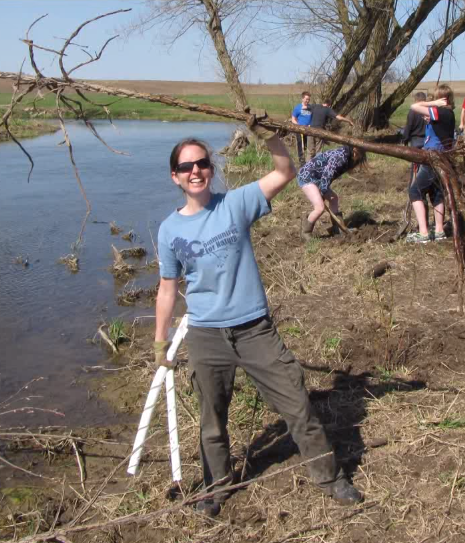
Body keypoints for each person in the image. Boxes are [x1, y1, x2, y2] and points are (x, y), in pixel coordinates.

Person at [154, 121, 363, 518]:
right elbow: (167, 288)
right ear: (175, 177)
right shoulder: (169, 230)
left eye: (201, 163)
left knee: (297, 402)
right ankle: (217, 487)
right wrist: (159, 341)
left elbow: (285, 171)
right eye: (186, 168)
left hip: (254, 329)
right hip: (206, 336)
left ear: (211, 169)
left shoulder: (236, 203)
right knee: (212, 419)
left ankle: (330, 477)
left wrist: (266, 133)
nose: (195, 171)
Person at [406, 84, 455, 244]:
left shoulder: (441, 111)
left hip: (432, 158)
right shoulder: (449, 114)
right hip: (443, 158)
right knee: (436, 193)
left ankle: (424, 233)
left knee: (415, 192)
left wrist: (432, 105)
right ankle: (439, 230)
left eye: (435, 98)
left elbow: (414, 106)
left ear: (441, 99)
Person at [298, 145, 366, 239]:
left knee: (333, 199)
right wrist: (322, 192)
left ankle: (337, 228)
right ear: (355, 151)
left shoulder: (348, 156)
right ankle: (306, 232)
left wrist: (323, 189)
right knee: (320, 207)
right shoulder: (341, 157)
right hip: (307, 176)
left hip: (318, 179)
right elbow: (327, 175)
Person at [291, 91, 313, 163]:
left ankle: (308, 160)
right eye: (306, 99)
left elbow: (312, 118)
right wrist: (298, 125)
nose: (307, 101)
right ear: (302, 99)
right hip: (300, 129)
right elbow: (293, 119)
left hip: (309, 129)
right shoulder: (298, 108)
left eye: (309, 99)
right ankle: (301, 160)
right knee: (301, 144)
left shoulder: (310, 108)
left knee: (308, 145)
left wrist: (311, 124)